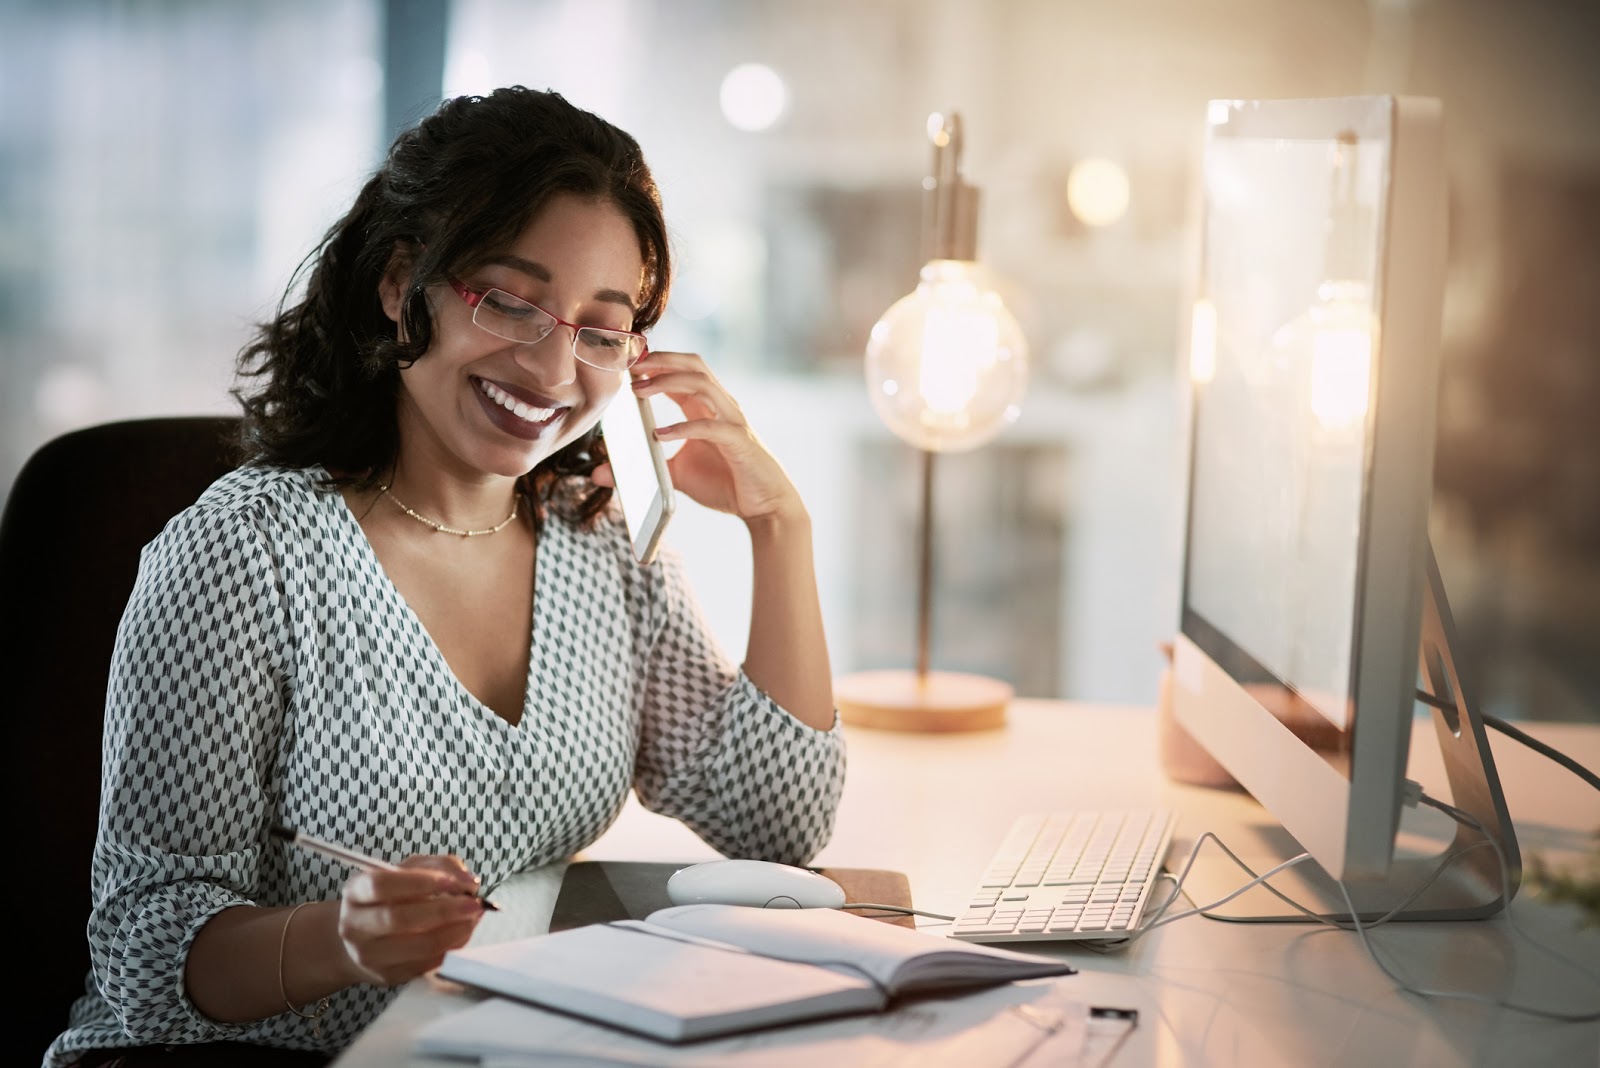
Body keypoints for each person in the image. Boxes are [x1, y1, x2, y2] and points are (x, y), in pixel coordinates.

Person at [46, 86, 845, 1068]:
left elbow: (777, 822)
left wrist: (780, 526)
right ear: (399, 283)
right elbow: (142, 954)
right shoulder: (245, 555)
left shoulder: (593, 541)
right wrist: (337, 939)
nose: (555, 373)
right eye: (510, 302)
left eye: (600, 329)